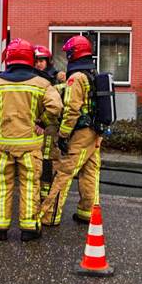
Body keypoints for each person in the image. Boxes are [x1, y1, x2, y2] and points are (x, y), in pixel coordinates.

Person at [0, 39, 62, 241]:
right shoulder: (41, 83)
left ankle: (0, 228)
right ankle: (29, 230)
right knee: (30, 186)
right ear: (30, 58)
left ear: (8, 59)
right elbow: (55, 107)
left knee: (2, 186)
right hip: (30, 146)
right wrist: (42, 123)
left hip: (3, 145)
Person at [42, 35, 103, 227]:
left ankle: (49, 216)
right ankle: (87, 212)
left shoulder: (76, 77)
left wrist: (63, 134)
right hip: (95, 131)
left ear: (73, 54)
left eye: (68, 53)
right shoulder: (92, 72)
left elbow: (71, 110)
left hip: (81, 133)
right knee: (90, 171)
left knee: (64, 173)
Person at [32, 45, 63, 210]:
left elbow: (56, 106)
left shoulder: (55, 78)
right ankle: (38, 194)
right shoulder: (30, 77)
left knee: (49, 159)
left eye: (42, 60)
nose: (39, 64)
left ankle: (47, 195)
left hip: (49, 125)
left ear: (48, 61)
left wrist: (42, 123)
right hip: (34, 125)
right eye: (36, 61)